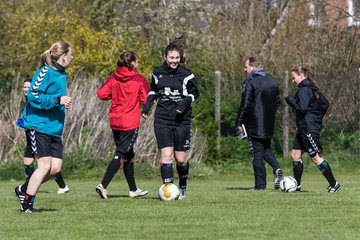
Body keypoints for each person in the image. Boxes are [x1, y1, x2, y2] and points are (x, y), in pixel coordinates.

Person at [14, 41, 73, 212]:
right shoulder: (44, 72)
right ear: (63, 56)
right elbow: (33, 96)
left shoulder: (62, 74)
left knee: (55, 169)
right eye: (71, 54)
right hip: (38, 126)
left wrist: (61, 103)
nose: (72, 58)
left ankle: (23, 189)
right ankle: (27, 205)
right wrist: (57, 100)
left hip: (54, 128)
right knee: (45, 166)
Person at [142, 36, 200, 199]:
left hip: (182, 121)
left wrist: (184, 103)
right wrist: (147, 107)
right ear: (165, 57)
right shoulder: (157, 73)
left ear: (180, 58)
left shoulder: (187, 74)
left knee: (180, 159)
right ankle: (168, 188)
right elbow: (154, 91)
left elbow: (195, 93)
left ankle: (182, 185)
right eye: (171, 58)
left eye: (177, 58)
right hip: (162, 120)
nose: (174, 61)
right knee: (166, 155)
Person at [95, 51, 149, 199]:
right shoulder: (138, 79)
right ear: (132, 63)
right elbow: (146, 98)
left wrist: (115, 94)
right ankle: (103, 185)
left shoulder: (113, 78)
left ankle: (133, 190)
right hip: (130, 122)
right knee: (120, 153)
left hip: (116, 121)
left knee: (128, 154)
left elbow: (101, 94)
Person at [285, 66, 341, 193]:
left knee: (316, 157)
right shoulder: (312, 88)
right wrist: (316, 116)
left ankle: (334, 184)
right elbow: (325, 104)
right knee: (295, 154)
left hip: (308, 128)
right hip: (304, 127)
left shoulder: (305, 89)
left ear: (301, 75)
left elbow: (302, 108)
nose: (293, 81)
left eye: (294, 78)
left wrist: (290, 100)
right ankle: (297, 185)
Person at [235, 56, 282, 190]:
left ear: (252, 66)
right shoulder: (272, 79)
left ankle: (260, 185)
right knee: (265, 148)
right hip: (269, 122)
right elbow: (277, 101)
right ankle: (277, 168)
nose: (244, 69)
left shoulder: (250, 80)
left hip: (254, 122)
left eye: (246, 66)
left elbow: (246, 102)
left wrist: (239, 120)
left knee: (256, 152)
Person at [16, 79, 70, 195]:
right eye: (24, 87)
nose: (26, 89)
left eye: (28, 87)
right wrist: (24, 122)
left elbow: (44, 106)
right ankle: (27, 191)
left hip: (40, 133)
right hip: (31, 136)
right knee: (29, 161)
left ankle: (61, 185)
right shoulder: (27, 100)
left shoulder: (37, 97)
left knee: (48, 166)